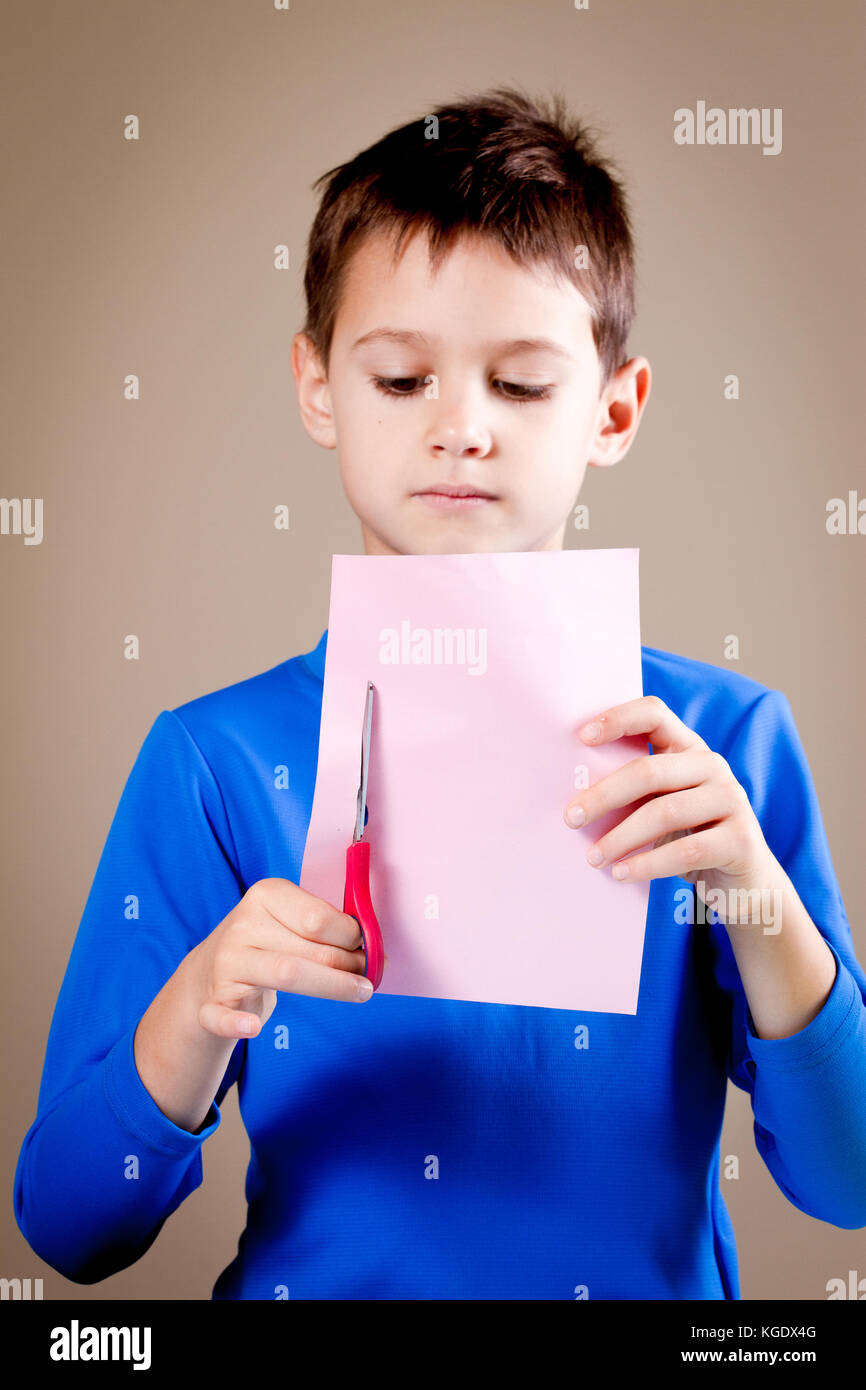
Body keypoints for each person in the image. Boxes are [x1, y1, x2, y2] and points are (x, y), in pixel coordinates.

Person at [14, 86, 866, 1299]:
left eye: (519, 385)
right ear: (319, 388)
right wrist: (202, 999)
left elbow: (848, 1180)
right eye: (401, 379)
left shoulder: (722, 748)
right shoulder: (212, 759)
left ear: (612, 408)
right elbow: (68, 1225)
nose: (460, 428)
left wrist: (753, 893)